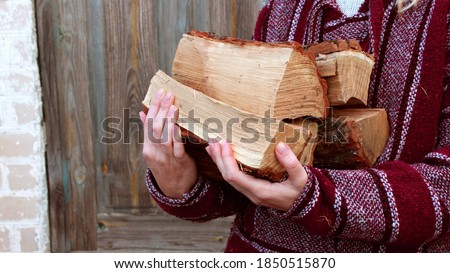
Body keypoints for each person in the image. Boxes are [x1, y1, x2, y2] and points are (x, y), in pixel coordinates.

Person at [139, 0, 450, 252]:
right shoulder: (279, 11)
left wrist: (319, 198)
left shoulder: (439, 15)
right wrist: (181, 182)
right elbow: (250, 183)